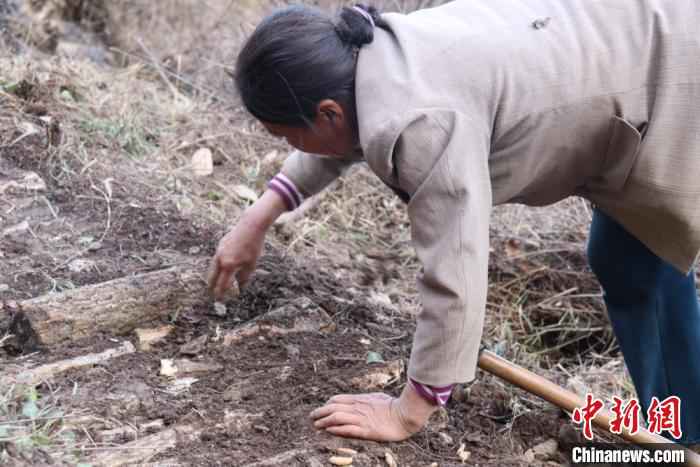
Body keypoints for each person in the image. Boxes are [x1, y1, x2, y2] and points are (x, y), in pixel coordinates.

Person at [208, 0, 700, 444]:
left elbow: (456, 270)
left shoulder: (422, 124)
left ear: (327, 112)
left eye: (285, 134)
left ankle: (686, 436)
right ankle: (685, 427)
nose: (291, 147)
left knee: (640, 262)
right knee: (631, 262)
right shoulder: (372, 56)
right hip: (635, 38)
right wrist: (259, 216)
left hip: (674, 72)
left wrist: (409, 410)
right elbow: (345, 135)